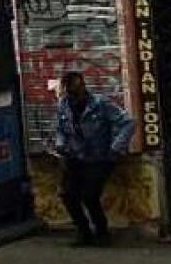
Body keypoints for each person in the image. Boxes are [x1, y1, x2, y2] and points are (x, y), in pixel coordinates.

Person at [53, 70, 135, 246]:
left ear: (83, 87)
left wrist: (115, 148)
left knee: (90, 195)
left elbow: (128, 123)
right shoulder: (64, 105)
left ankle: (102, 232)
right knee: (67, 195)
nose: (74, 97)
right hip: (75, 156)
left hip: (99, 158)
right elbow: (60, 128)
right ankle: (84, 232)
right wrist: (60, 144)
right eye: (70, 93)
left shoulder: (100, 103)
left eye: (76, 92)